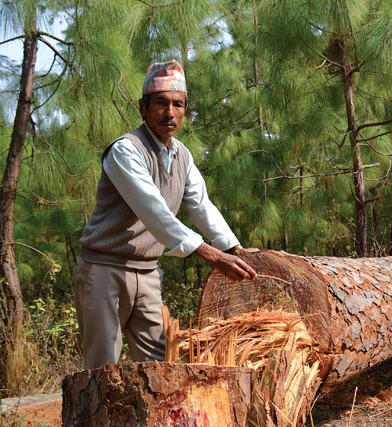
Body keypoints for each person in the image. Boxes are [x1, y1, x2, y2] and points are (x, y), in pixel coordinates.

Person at [75, 60, 257, 370]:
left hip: (147, 272)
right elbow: (154, 212)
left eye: (177, 104)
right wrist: (214, 257)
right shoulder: (126, 150)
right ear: (143, 108)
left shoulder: (182, 155)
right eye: (160, 103)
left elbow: (202, 205)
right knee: (102, 369)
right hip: (104, 269)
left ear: (185, 111)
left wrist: (233, 249)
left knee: (159, 367)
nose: (169, 112)